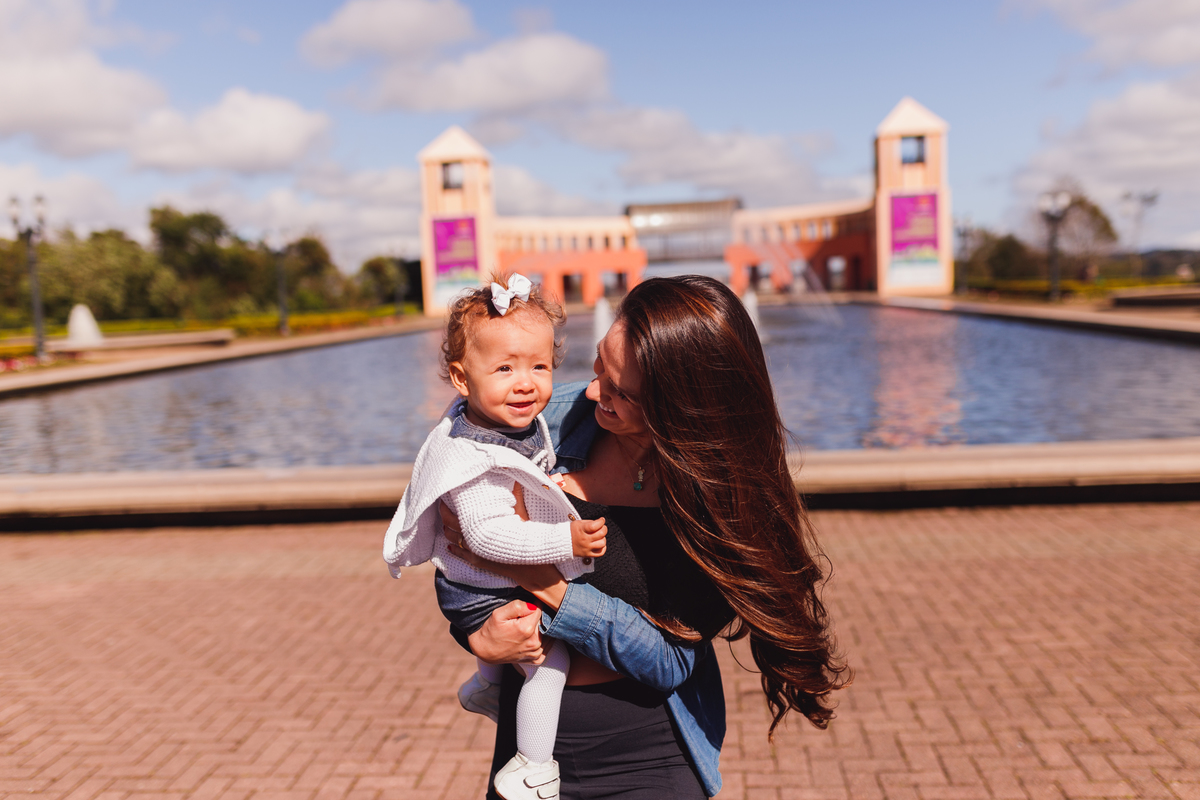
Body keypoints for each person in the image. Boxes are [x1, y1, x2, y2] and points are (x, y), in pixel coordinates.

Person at [445, 275, 850, 799]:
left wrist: (539, 580)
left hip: (649, 759)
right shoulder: (548, 422)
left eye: (620, 393)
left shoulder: (722, 504)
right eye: (597, 365)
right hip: (527, 751)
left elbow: (666, 659)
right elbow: (455, 538)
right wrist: (474, 632)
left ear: (681, 410)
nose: (592, 392)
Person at [382, 274, 608, 800]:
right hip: (477, 586)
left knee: (529, 652)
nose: (525, 383)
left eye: (539, 366)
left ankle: (486, 685)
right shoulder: (475, 457)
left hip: (476, 580)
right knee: (549, 662)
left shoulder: (503, 420)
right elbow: (487, 536)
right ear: (461, 379)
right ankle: (534, 766)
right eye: (504, 369)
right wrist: (565, 542)